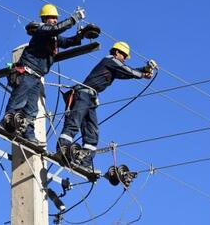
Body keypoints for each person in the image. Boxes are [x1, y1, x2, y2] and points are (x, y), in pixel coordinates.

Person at [56, 41, 155, 169]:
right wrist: (142, 74)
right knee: (74, 123)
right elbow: (127, 71)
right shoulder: (110, 60)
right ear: (117, 52)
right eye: (124, 55)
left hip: (90, 98)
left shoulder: (114, 67)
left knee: (92, 132)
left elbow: (126, 72)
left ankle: (84, 161)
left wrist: (144, 70)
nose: (125, 58)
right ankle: (63, 149)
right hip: (83, 94)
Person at [2, 3, 86, 146]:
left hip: (36, 76)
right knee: (18, 101)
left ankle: (28, 134)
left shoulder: (54, 38)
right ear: (45, 18)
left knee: (32, 109)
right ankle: (7, 123)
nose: (54, 20)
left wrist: (80, 36)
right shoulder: (42, 29)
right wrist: (74, 18)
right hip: (27, 71)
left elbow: (67, 42)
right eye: (52, 18)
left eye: (55, 18)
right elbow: (56, 28)